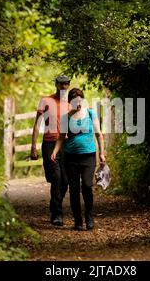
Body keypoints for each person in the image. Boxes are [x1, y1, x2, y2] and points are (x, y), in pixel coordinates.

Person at [51, 88, 106, 230]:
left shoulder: (91, 114)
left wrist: (101, 153)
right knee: (74, 189)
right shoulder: (66, 117)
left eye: (80, 100)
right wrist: (55, 152)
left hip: (88, 155)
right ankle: (78, 220)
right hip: (71, 157)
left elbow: (99, 135)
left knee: (87, 186)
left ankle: (89, 216)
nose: (78, 103)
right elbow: (61, 137)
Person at [30, 75, 71, 226]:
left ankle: (55, 207)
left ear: (69, 85)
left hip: (67, 144)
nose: (63, 87)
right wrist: (33, 147)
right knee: (56, 177)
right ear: (56, 84)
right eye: (61, 84)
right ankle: (57, 214)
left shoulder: (71, 104)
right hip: (49, 143)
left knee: (66, 180)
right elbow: (36, 124)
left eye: (66, 84)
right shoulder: (46, 100)